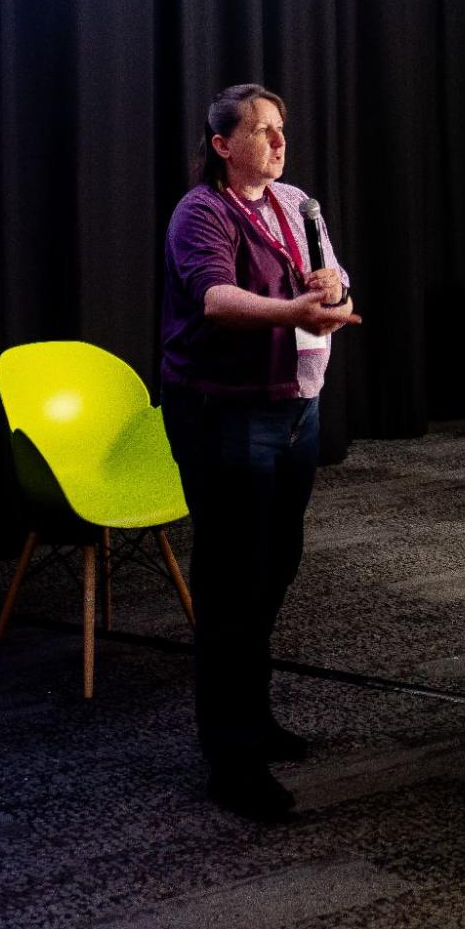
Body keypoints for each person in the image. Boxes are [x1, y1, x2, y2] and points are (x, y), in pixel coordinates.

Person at [160, 83, 359, 821]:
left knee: (274, 563)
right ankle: (230, 758)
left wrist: (331, 283)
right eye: (262, 131)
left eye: (281, 128)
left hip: (294, 406)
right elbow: (215, 298)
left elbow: (332, 275)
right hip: (227, 410)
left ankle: (254, 715)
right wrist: (294, 309)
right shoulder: (201, 211)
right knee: (231, 581)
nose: (278, 143)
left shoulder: (297, 201)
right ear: (221, 144)